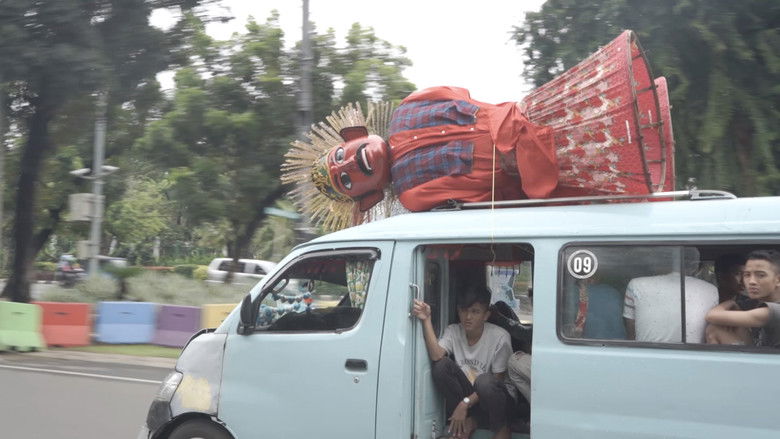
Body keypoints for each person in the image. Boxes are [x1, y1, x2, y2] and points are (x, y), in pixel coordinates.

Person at [412, 286, 515, 439]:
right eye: (463, 310)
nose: (468, 317)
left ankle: (500, 427)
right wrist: (426, 319)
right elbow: (436, 355)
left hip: (498, 400)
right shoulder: (454, 331)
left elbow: (497, 381)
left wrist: (464, 403)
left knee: (484, 382)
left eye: (475, 311)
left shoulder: (500, 337)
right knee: (441, 366)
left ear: (486, 315)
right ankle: (468, 422)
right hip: (473, 398)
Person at [623, 248, 718, 343]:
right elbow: (711, 335)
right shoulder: (711, 289)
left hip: (645, 355)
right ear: (696, 267)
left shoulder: (636, 285)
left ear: (659, 263)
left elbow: (631, 335)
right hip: (695, 356)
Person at [706, 250, 780, 347]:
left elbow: (711, 316)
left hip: (768, 361)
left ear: (778, 280)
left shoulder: (775, 311)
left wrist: (731, 302)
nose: (751, 281)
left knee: (715, 329)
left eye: (761, 275)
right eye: (747, 275)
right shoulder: (754, 303)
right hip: (760, 354)